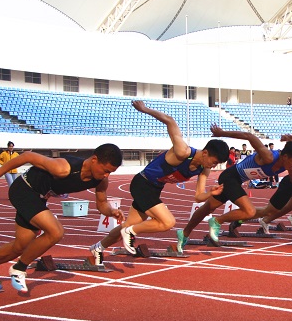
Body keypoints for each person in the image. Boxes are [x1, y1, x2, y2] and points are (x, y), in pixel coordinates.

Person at [88, 101, 229, 263]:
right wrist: (144, 109)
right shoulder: (183, 152)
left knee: (127, 225)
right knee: (167, 222)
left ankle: (98, 247)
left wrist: (211, 193)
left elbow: (198, 197)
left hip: (154, 189)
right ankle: (130, 231)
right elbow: (170, 121)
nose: (213, 165)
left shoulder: (203, 169)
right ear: (205, 153)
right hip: (142, 183)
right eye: (214, 161)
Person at [0, 144, 123, 293]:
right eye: (106, 171)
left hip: (39, 198)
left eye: (110, 172)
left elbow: (102, 204)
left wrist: (112, 211)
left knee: (20, 246)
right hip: (24, 190)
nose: (107, 176)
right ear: (94, 160)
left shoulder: (101, 181)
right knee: (56, 232)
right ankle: (19, 268)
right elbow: (28, 156)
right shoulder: (63, 168)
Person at [176, 130, 292, 251]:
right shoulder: (269, 157)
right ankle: (217, 221)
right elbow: (249, 136)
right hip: (230, 177)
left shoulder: (287, 165)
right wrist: (221, 133)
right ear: (285, 156)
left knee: (207, 208)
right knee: (249, 211)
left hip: (236, 181)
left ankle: (184, 234)